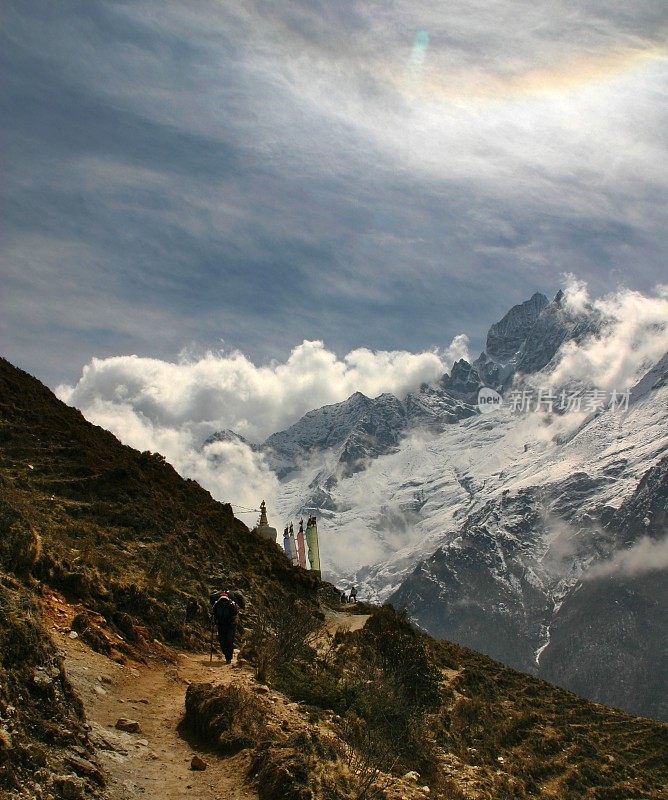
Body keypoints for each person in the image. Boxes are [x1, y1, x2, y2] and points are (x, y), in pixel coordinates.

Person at [210, 590, 240, 664]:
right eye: (222, 600)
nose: (224, 601)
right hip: (222, 624)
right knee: (222, 641)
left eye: (225, 600)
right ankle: (227, 655)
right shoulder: (217, 605)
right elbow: (214, 614)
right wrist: (213, 621)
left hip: (230, 625)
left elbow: (236, 613)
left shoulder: (231, 604)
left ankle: (228, 658)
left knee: (229, 640)